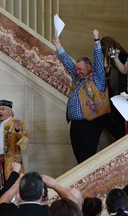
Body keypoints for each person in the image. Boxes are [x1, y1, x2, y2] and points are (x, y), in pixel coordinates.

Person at [53, 29, 111, 163]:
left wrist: (96, 41)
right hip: (76, 125)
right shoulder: (78, 78)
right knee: (79, 158)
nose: (77, 71)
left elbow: (97, 61)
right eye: (77, 69)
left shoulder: (97, 78)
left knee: (87, 158)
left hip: (90, 123)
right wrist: (58, 45)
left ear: (89, 68)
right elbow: (67, 63)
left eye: (80, 69)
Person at [0, 99, 28, 192]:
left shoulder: (18, 123)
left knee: (10, 189)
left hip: (10, 163)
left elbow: (24, 144)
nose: (0, 111)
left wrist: (18, 130)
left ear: (10, 111)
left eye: (3, 109)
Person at [100, 36, 128, 140]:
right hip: (113, 95)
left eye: (107, 49)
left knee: (120, 124)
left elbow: (124, 74)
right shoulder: (108, 60)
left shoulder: (123, 56)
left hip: (121, 95)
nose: (106, 52)